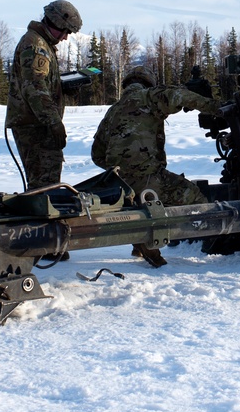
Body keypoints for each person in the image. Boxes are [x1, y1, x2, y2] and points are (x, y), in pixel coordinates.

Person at [92, 65, 222, 266]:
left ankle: (140, 242)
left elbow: (97, 154)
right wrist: (218, 108)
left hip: (118, 184)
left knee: (142, 198)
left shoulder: (113, 111)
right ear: (147, 84)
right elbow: (180, 95)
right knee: (195, 199)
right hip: (149, 178)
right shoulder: (149, 97)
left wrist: (121, 169)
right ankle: (211, 242)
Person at [6, 0, 83, 189]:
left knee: (47, 183)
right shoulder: (35, 45)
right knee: (44, 185)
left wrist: (61, 87)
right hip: (35, 125)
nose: (65, 38)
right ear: (54, 22)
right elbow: (35, 88)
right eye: (64, 31)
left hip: (39, 123)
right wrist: (54, 122)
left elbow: (40, 83)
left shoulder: (43, 44)